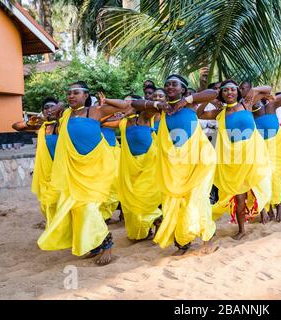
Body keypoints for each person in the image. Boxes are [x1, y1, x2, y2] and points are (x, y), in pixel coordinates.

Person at [37, 81, 128, 266]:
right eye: (69, 93)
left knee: (88, 209)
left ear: (86, 95)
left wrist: (107, 100)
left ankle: (107, 243)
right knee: (77, 211)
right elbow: (52, 111)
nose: (71, 96)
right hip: (73, 171)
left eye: (76, 93)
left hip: (94, 170)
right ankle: (94, 247)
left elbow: (127, 106)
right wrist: (62, 104)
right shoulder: (66, 115)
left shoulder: (95, 111)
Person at [130, 74, 219, 255]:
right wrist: (157, 104)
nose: (170, 87)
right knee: (174, 203)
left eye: (174, 84)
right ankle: (182, 244)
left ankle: (207, 240)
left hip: (198, 162)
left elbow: (212, 93)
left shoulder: (191, 105)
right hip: (175, 165)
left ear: (183, 89)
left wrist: (187, 100)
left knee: (198, 199)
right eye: (167, 84)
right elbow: (135, 104)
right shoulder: (162, 110)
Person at [197, 80, 272, 240]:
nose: (229, 93)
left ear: (237, 92)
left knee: (260, 185)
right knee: (239, 198)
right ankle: (242, 230)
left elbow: (268, 89)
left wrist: (254, 89)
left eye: (232, 90)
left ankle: (264, 210)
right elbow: (198, 114)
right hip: (234, 160)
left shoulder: (247, 103)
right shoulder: (220, 113)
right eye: (225, 91)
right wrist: (209, 98)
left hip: (252, 157)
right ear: (221, 94)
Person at [101, 94, 163, 241]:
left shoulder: (145, 118)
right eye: (125, 104)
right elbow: (100, 122)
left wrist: (133, 105)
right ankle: (149, 227)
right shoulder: (123, 122)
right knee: (131, 200)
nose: (126, 107)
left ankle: (157, 219)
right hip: (130, 166)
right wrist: (107, 104)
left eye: (130, 104)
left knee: (142, 197)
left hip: (149, 164)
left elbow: (151, 106)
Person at [12, 97, 64, 228]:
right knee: (47, 200)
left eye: (52, 107)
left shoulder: (64, 124)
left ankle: (64, 226)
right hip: (45, 172)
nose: (49, 110)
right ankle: (53, 225)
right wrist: (29, 123)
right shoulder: (41, 126)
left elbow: (64, 104)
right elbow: (16, 126)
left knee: (61, 198)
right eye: (46, 108)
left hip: (62, 169)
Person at [252, 91, 281, 222]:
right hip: (259, 143)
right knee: (261, 175)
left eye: (260, 99)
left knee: (276, 174)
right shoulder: (247, 105)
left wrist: (274, 97)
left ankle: (278, 204)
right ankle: (264, 208)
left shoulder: (271, 106)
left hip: (277, 142)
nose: (258, 103)